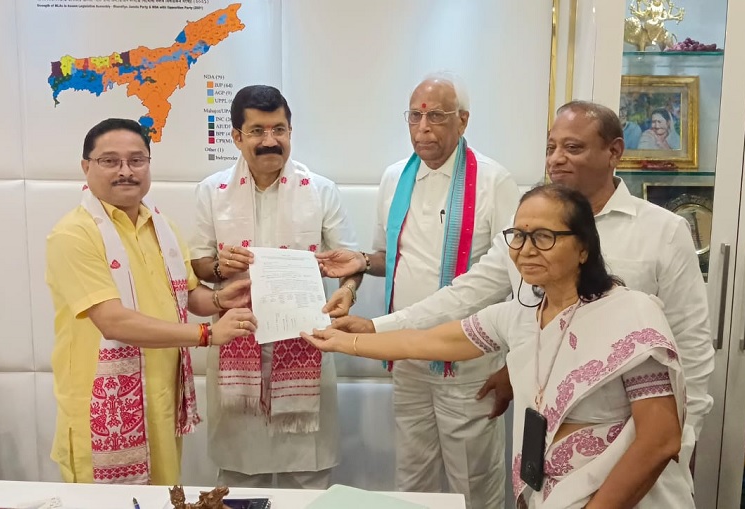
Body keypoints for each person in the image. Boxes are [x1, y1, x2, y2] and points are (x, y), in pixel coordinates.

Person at [324, 101, 714, 497]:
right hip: (544, 455)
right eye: (550, 147)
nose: (528, 250)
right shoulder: (520, 308)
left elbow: (691, 352)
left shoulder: (655, 251)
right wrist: (367, 330)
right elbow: (459, 303)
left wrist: (682, 442)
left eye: (573, 148)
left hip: (631, 465)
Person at [303, 184, 693, 508]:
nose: (526, 249)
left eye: (544, 237)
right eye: (518, 236)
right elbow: (424, 341)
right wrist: (346, 341)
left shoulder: (631, 313)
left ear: (583, 248)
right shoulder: (518, 315)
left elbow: (660, 440)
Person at [317, 72, 519, 509]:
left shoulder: (494, 181)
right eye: (414, 116)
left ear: (463, 120)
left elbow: (506, 273)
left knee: (473, 482)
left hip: (467, 361)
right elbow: (391, 257)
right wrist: (361, 263)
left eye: (436, 117)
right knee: (411, 478)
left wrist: (380, 326)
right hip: (407, 357)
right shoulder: (395, 177)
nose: (423, 128)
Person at [45, 118, 256, 485]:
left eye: (137, 160)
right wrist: (206, 334)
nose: (126, 171)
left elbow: (187, 295)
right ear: (85, 166)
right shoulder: (74, 234)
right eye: (110, 161)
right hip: (104, 410)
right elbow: (113, 322)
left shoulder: (162, 226)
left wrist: (220, 298)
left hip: (159, 401)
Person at [189, 85, 359, 489]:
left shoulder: (320, 190)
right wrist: (220, 265)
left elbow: (351, 261)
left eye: (278, 129)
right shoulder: (212, 191)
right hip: (237, 348)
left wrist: (349, 290)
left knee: (308, 475)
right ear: (237, 136)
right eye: (257, 131)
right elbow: (198, 262)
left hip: (305, 346)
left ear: (290, 131)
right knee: (239, 476)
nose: (270, 141)